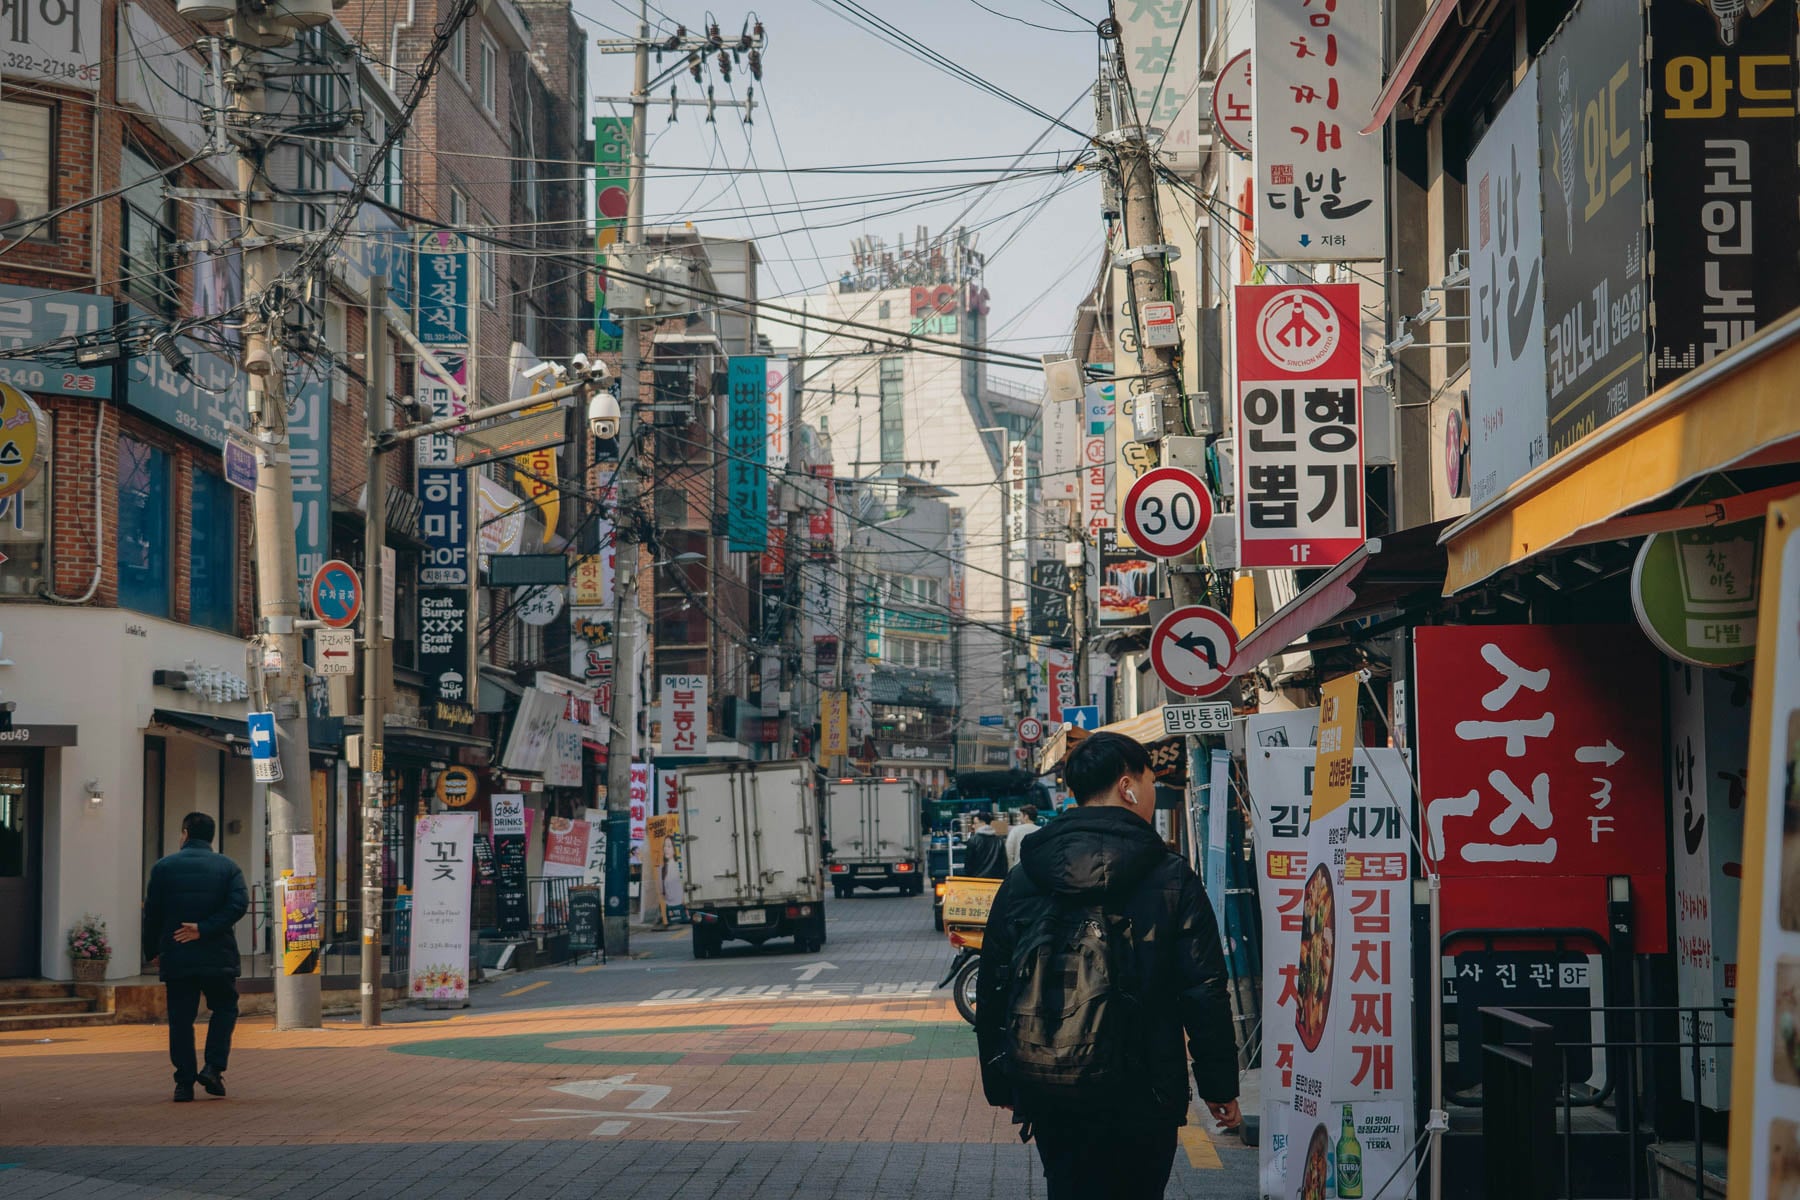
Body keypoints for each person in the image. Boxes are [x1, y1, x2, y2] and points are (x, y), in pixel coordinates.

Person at [975, 732, 1240, 1198]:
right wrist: (1218, 1084)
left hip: (1051, 1080)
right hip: (1146, 1087)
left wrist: (1001, 1079)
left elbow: (995, 982)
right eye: (1149, 779)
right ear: (1127, 786)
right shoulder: (1171, 876)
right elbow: (1203, 988)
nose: (1153, 790)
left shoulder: (1024, 878)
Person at [142, 811, 248, 1103]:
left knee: (180, 1019)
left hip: (178, 954)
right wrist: (205, 929)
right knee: (225, 1008)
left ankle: (184, 1083)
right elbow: (239, 905)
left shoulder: (164, 867)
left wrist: (152, 950)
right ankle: (213, 1068)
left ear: (185, 833)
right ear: (211, 837)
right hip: (218, 953)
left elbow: (152, 913)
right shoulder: (228, 867)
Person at [961, 810, 1009, 879]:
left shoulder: (973, 840)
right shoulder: (999, 841)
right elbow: (1004, 866)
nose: (973, 826)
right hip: (995, 882)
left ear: (983, 823)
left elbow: (968, 866)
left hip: (978, 882)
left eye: (975, 823)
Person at [1004, 803, 1041, 870]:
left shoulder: (1016, 830)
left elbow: (1008, 851)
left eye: (1020, 815)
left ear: (1026, 816)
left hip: (1019, 870)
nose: (1019, 818)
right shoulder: (1041, 830)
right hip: (1037, 870)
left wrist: (1011, 868)